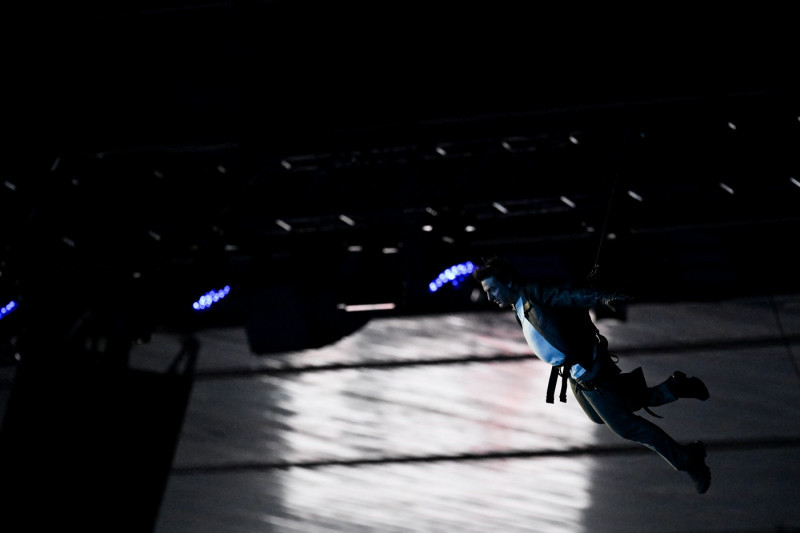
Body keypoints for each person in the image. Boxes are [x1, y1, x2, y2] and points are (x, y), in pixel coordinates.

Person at [472, 256, 712, 494]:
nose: (490, 296)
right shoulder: (519, 306)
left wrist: (600, 297)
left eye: (492, 289)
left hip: (588, 366)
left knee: (626, 427)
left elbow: (568, 297)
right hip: (574, 374)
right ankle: (675, 388)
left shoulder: (535, 293)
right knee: (604, 414)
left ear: (509, 282)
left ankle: (688, 459)